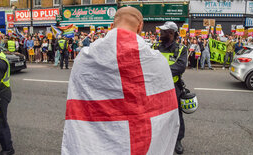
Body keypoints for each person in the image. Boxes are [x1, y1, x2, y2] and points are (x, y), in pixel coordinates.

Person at [61, 7, 180, 155]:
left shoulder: (85, 58)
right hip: (140, 138)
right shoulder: (156, 60)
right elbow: (168, 107)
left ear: (112, 25)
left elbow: (79, 101)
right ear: (140, 27)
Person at [153, 21, 187, 154]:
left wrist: (160, 71)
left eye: (163, 31)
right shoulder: (155, 47)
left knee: (177, 115)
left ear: (171, 33)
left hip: (174, 87)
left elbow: (180, 67)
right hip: (156, 87)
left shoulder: (181, 49)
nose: (160, 33)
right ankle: (158, 139)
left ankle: (178, 140)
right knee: (157, 114)